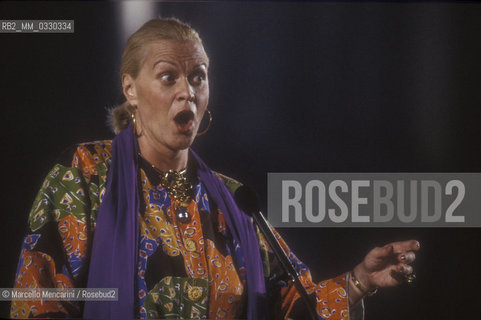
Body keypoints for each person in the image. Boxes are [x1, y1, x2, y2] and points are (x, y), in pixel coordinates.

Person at [11, 18, 419, 320]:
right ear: (130, 89)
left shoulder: (235, 202)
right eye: (168, 77)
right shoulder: (84, 173)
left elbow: (294, 302)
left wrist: (360, 281)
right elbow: (36, 299)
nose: (186, 91)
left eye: (198, 78)